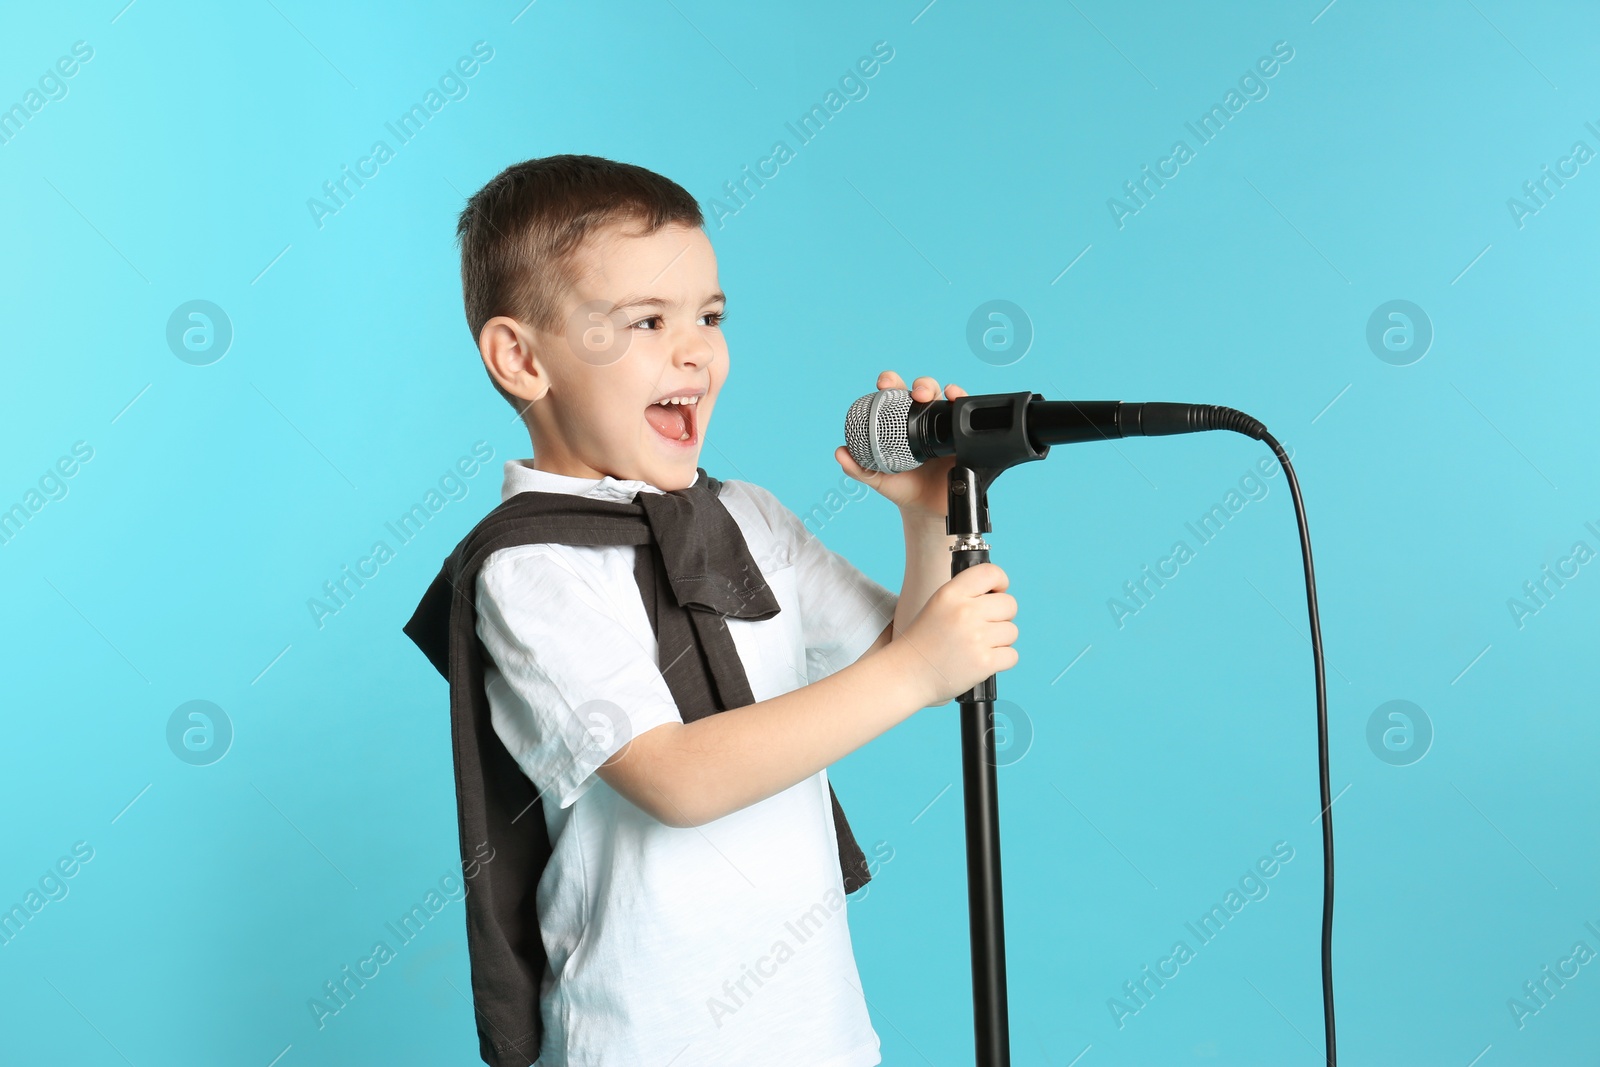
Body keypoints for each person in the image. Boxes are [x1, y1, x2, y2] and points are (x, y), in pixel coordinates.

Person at [454, 153, 1018, 1065]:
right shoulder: (530, 568)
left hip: (814, 1028)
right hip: (649, 1039)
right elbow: (677, 778)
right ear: (522, 358)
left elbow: (905, 647)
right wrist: (917, 670)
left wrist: (925, 516)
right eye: (646, 320)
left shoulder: (747, 515)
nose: (695, 349)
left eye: (710, 317)